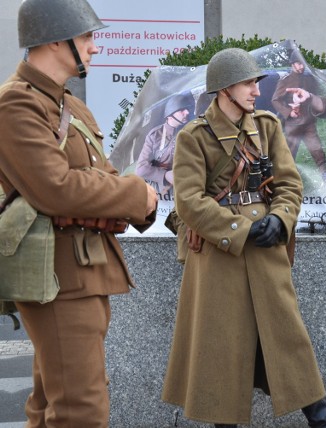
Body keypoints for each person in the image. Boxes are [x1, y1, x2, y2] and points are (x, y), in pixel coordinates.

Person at [0, 0, 158, 426]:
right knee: (80, 411)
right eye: (87, 36)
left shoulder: (73, 107)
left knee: (51, 403)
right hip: (54, 275)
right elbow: (57, 188)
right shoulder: (15, 105)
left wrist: (139, 199)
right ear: (55, 39)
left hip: (84, 269)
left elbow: (100, 177)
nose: (95, 47)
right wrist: (133, 193)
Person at [162, 48, 326, 427]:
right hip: (219, 257)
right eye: (247, 83)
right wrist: (240, 229)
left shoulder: (267, 126)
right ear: (224, 89)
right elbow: (189, 201)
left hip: (266, 251)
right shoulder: (194, 137)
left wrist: (281, 218)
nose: (256, 90)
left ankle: (323, 420)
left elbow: (290, 182)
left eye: (255, 83)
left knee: (291, 342)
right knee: (221, 353)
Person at [271, 49, 326, 181]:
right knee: (289, 151)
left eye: (302, 63)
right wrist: (289, 112)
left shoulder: (309, 79)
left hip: (309, 122)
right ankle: (284, 177)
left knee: (316, 147)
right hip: (293, 123)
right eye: (298, 63)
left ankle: (325, 173)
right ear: (292, 65)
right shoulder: (285, 80)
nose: (301, 66)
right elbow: (275, 100)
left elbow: (316, 97)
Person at [135, 93, 192, 195]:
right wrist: (165, 175)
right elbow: (141, 169)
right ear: (170, 114)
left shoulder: (191, 132)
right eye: (181, 110)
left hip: (186, 189)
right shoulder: (155, 135)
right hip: (161, 193)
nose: (187, 112)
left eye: (187, 109)